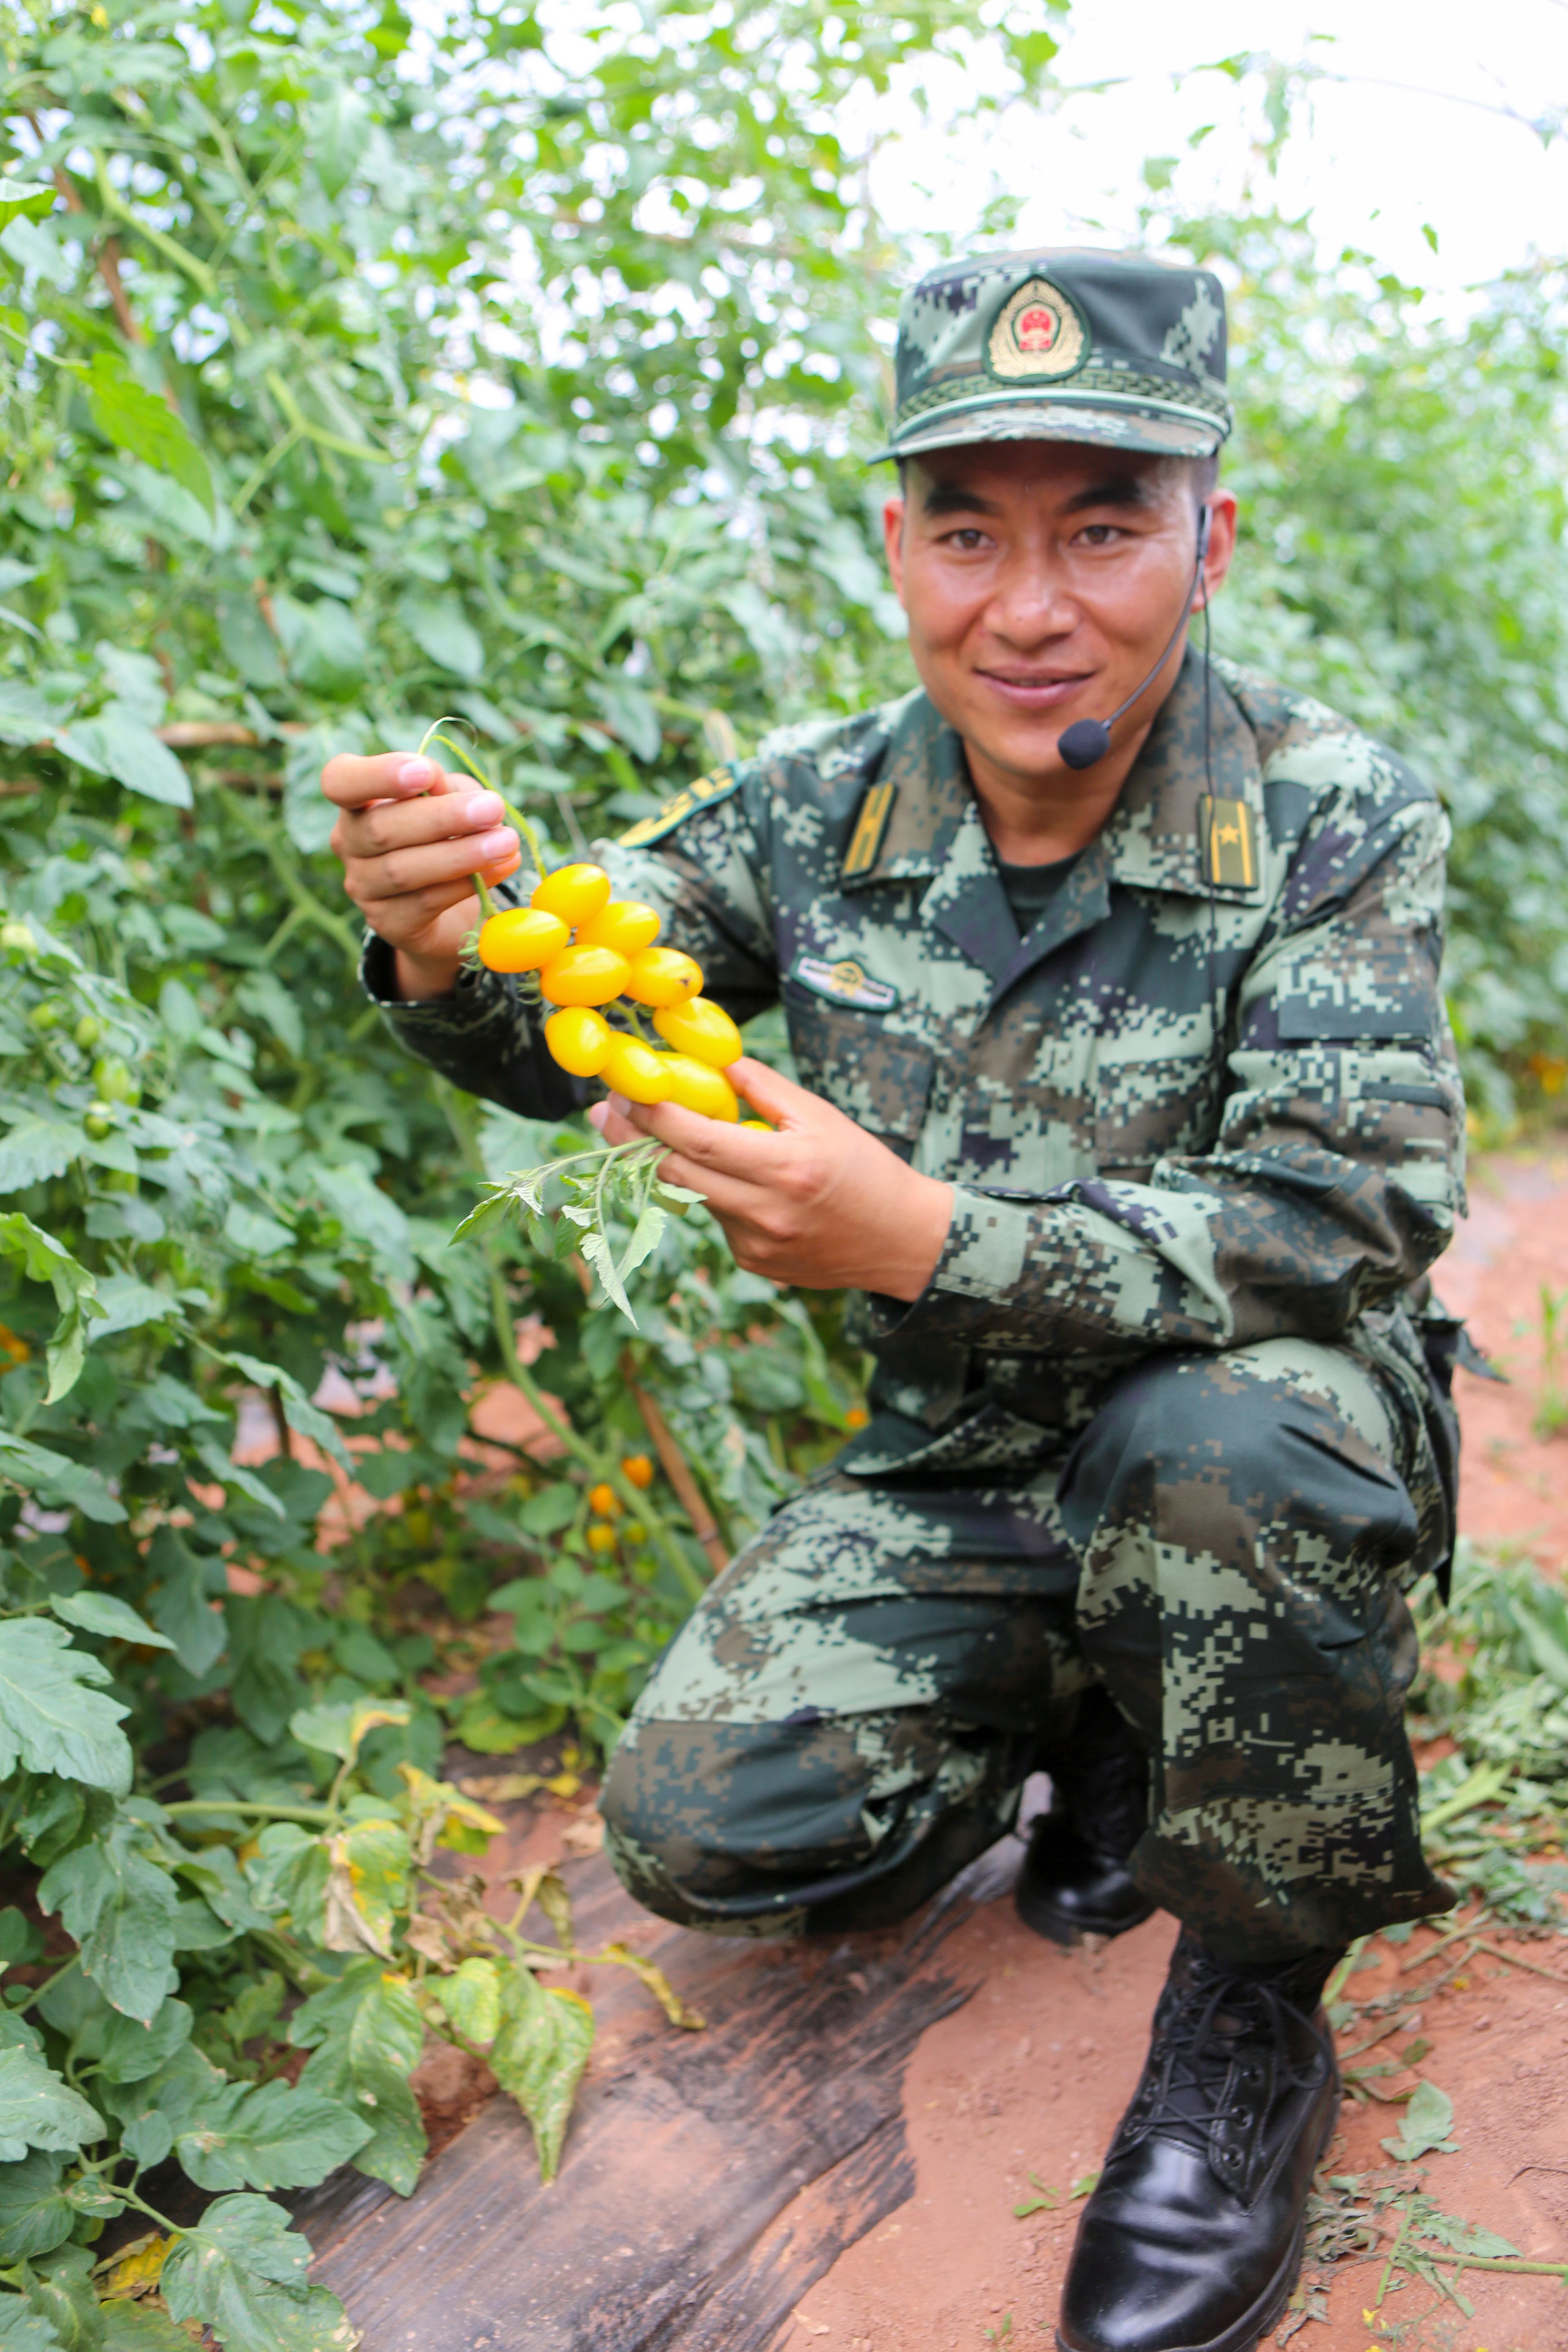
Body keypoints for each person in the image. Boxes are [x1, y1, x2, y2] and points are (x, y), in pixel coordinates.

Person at [322, 249, 1466, 2352]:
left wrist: (919, 1233)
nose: (1028, 609)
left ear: (1208, 537)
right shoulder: (825, 806)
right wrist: (441, 941)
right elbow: (583, 1001)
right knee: (705, 1826)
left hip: (1258, 1444)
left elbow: (1344, 1216)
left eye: (1103, 527)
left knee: (1218, 1448)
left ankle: (1252, 2012)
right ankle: (1102, 1719)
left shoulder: (1331, 810)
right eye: (970, 531)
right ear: (897, 550)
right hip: (969, 1468)